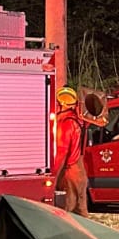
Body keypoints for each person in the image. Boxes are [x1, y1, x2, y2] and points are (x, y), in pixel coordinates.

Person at [51, 86, 90, 215]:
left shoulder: (66, 123)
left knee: (66, 213)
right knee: (81, 213)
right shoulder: (79, 120)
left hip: (70, 173)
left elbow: (62, 152)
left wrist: (53, 177)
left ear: (61, 103)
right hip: (80, 172)